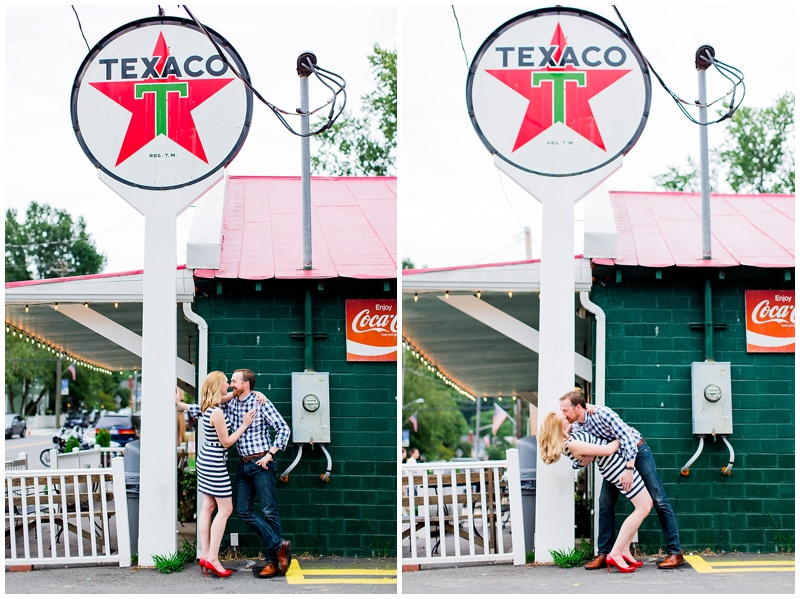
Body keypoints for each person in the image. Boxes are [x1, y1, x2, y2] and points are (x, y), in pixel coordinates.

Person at [559, 391, 685, 570]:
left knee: (658, 498)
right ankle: (604, 553)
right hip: (614, 462)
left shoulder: (602, 413)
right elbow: (587, 455)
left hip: (637, 453)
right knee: (605, 502)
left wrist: (628, 469)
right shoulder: (577, 428)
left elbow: (627, 438)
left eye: (565, 410)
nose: (563, 414)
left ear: (578, 407)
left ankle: (675, 552)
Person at [539, 411, 652, 573]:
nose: (566, 417)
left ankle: (625, 550)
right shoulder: (571, 444)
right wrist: (621, 435)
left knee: (644, 506)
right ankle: (615, 553)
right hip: (617, 468)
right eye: (563, 418)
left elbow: (589, 457)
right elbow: (606, 450)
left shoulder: (570, 439)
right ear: (558, 427)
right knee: (644, 507)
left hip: (613, 466)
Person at [179, 371, 256, 578]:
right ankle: (213, 557)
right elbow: (227, 442)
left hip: (205, 459)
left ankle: (205, 554)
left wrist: (247, 393)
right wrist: (245, 424)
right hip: (214, 462)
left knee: (208, 507)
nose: (228, 385)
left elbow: (226, 396)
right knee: (226, 508)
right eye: (225, 383)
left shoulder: (208, 407)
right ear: (217, 386)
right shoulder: (217, 413)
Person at [227, 368, 292, 579]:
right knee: (243, 510)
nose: (231, 383)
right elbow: (212, 401)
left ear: (246, 383)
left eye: (234, 381)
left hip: (262, 463)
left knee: (269, 511)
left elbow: (283, 428)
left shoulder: (261, 402)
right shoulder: (231, 403)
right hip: (243, 465)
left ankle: (272, 562)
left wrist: (271, 454)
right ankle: (279, 545)